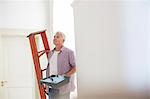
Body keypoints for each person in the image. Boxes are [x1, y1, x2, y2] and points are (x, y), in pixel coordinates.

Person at [46, 31, 76, 99]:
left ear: (63, 40)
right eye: (54, 36)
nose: (55, 38)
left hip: (63, 87)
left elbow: (75, 67)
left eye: (57, 36)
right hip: (51, 86)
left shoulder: (69, 52)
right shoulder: (50, 53)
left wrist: (65, 75)